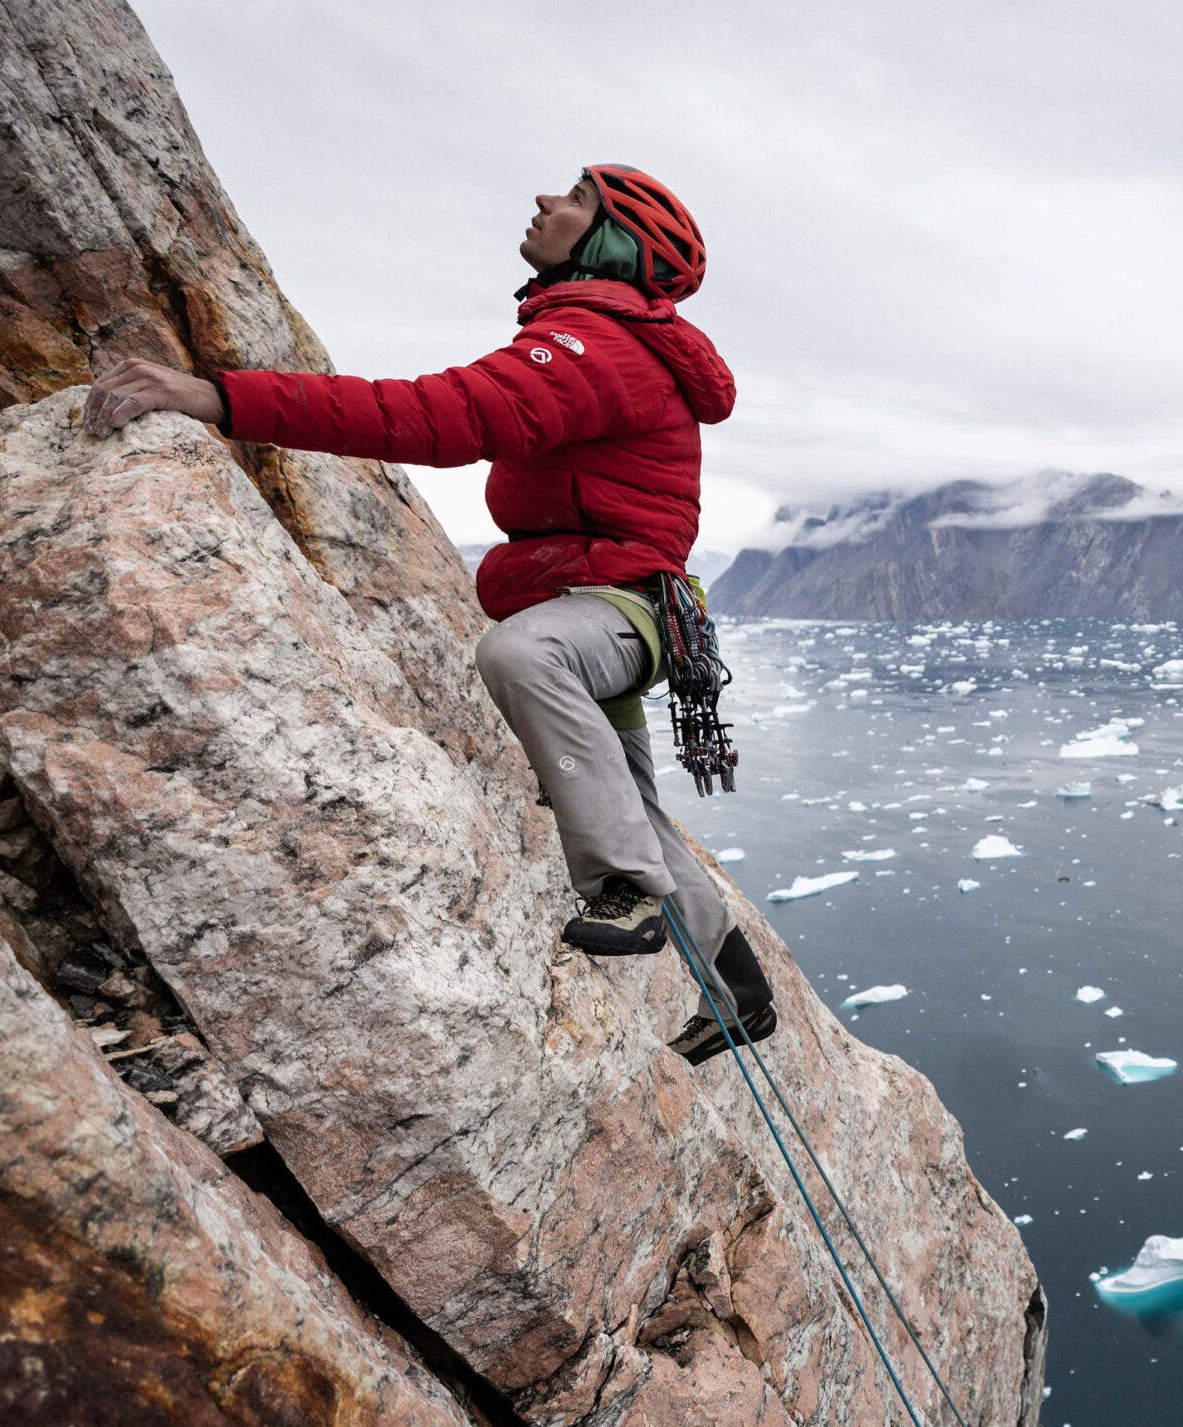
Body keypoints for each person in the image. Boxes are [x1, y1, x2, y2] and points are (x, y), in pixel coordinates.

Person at [84, 165, 777, 1063]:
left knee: (526, 657)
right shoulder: (602, 340)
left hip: (613, 611)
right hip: (630, 608)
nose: (543, 202)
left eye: (573, 199)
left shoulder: (596, 347)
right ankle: (741, 995)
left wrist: (221, 398)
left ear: (612, 241)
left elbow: (436, 418)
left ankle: (621, 888)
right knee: (635, 809)